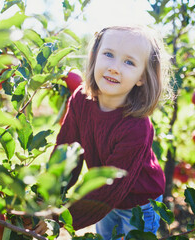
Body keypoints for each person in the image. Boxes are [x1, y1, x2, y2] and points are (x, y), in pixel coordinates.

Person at [55, 25, 173, 239]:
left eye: (129, 62)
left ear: (142, 77)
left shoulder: (137, 126)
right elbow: (67, 152)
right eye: (108, 54)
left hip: (140, 203)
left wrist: (61, 220)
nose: (114, 68)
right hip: (105, 198)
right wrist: (49, 197)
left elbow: (111, 188)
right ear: (94, 56)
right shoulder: (81, 99)